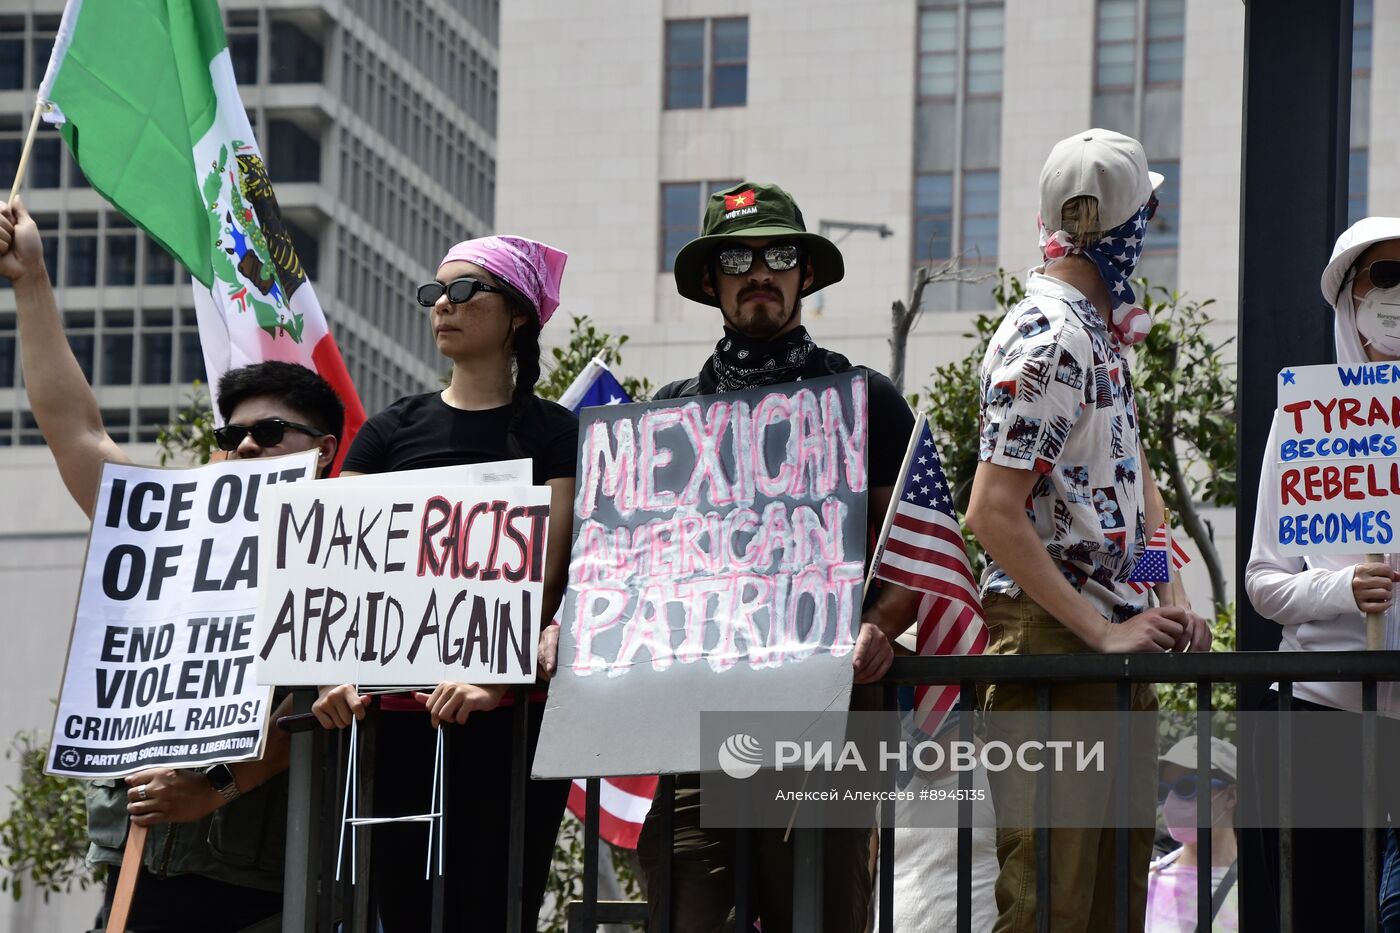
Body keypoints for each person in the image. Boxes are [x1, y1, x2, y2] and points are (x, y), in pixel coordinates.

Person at [0, 198, 343, 933]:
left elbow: (315, 713)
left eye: (271, 432)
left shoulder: (343, 553)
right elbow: (76, 429)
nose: (246, 446)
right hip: (137, 870)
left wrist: (211, 786)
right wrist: (30, 279)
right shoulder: (169, 528)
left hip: (258, 894)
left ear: (325, 452)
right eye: (233, 434)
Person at [632, 180, 921, 933]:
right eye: (737, 256)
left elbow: (916, 555)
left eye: (779, 254)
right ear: (710, 279)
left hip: (826, 720)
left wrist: (881, 624)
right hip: (696, 727)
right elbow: (629, 572)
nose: (760, 271)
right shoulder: (665, 415)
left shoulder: (867, 400)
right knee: (684, 906)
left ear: (805, 275)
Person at [964, 129, 1211, 933]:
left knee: (1106, 906)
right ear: (1128, 228)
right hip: (1056, 648)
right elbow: (991, 511)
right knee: (1051, 908)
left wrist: (1162, 590)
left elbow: (1136, 492)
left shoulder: (1092, 333)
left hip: (1099, 644)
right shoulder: (1052, 337)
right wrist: (1103, 635)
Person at [312, 235, 576, 932]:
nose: (443, 307)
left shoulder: (556, 434)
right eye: (435, 293)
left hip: (507, 722)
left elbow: (547, 574)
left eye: (464, 291)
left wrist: (499, 679)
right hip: (396, 721)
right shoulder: (385, 434)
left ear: (518, 314)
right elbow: (341, 570)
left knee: (496, 906)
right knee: (399, 910)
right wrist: (336, 676)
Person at [1244, 215, 1400, 931]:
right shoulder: (1303, 420)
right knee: (1325, 911)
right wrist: (1343, 590)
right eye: (1387, 277)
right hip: (1323, 723)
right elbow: (1265, 582)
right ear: (1351, 296)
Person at [1145, 736, 1238, 933]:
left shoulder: (1265, 886)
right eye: (1163, 791)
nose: (1171, 801)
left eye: (1186, 787)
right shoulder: (1147, 882)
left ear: (1231, 796)